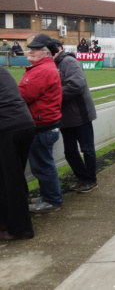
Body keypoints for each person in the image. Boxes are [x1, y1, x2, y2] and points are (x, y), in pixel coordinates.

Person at [18, 34, 64, 213]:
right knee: (44, 165)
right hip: (46, 124)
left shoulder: (42, 70)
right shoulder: (44, 67)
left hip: (42, 126)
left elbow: (23, 95)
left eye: (35, 49)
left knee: (43, 166)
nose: (30, 51)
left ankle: (52, 200)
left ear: (45, 53)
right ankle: (50, 196)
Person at [51, 39, 98, 193]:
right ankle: (82, 178)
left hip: (80, 113)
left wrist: (53, 97)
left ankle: (90, 180)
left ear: (59, 48)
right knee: (70, 152)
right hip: (64, 116)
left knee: (87, 149)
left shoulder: (69, 61)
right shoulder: (53, 64)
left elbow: (76, 85)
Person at [0, 67, 36, 240]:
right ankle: (7, 222)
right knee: (11, 178)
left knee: (10, 181)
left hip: (7, 129)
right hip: (23, 125)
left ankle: (20, 228)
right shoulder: (2, 70)